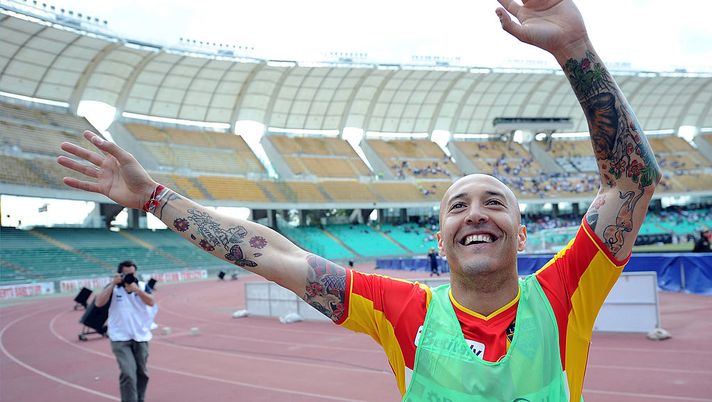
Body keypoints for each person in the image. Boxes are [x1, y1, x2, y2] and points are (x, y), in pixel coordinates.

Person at [57, 1, 660, 400]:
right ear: (439, 237)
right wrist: (155, 196)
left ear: (523, 234)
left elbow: (630, 183)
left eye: (494, 202)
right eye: (457, 206)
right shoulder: (405, 311)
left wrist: (575, 49)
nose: (475, 213)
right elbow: (274, 253)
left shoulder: (565, 295)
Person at [94, 261, 157, 402]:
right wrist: (112, 284)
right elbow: (98, 303)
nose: (130, 276)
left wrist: (138, 291)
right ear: (120, 274)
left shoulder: (141, 286)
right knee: (128, 373)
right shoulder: (114, 288)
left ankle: (140, 399)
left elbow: (151, 302)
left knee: (142, 373)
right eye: (126, 274)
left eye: (132, 273)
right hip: (120, 338)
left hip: (140, 336)